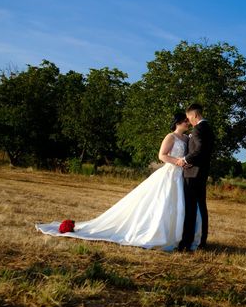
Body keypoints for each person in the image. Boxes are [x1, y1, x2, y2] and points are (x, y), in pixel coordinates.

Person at [35, 113, 201, 251]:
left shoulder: (187, 138)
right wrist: (177, 161)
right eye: (186, 121)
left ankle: (179, 237)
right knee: (163, 203)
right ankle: (159, 235)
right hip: (170, 173)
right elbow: (162, 156)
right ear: (179, 122)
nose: (188, 123)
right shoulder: (170, 137)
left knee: (179, 205)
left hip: (183, 175)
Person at [177, 103, 215, 251]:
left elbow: (199, 150)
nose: (188, 121)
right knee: (201, 208)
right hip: (202, 173)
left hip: (193, 174)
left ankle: (186, 243)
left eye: (188, 117)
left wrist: (185, 160)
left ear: (194, 115)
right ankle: (201, 242)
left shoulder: (198, 129)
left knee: (191, 209)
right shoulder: (208, 128)